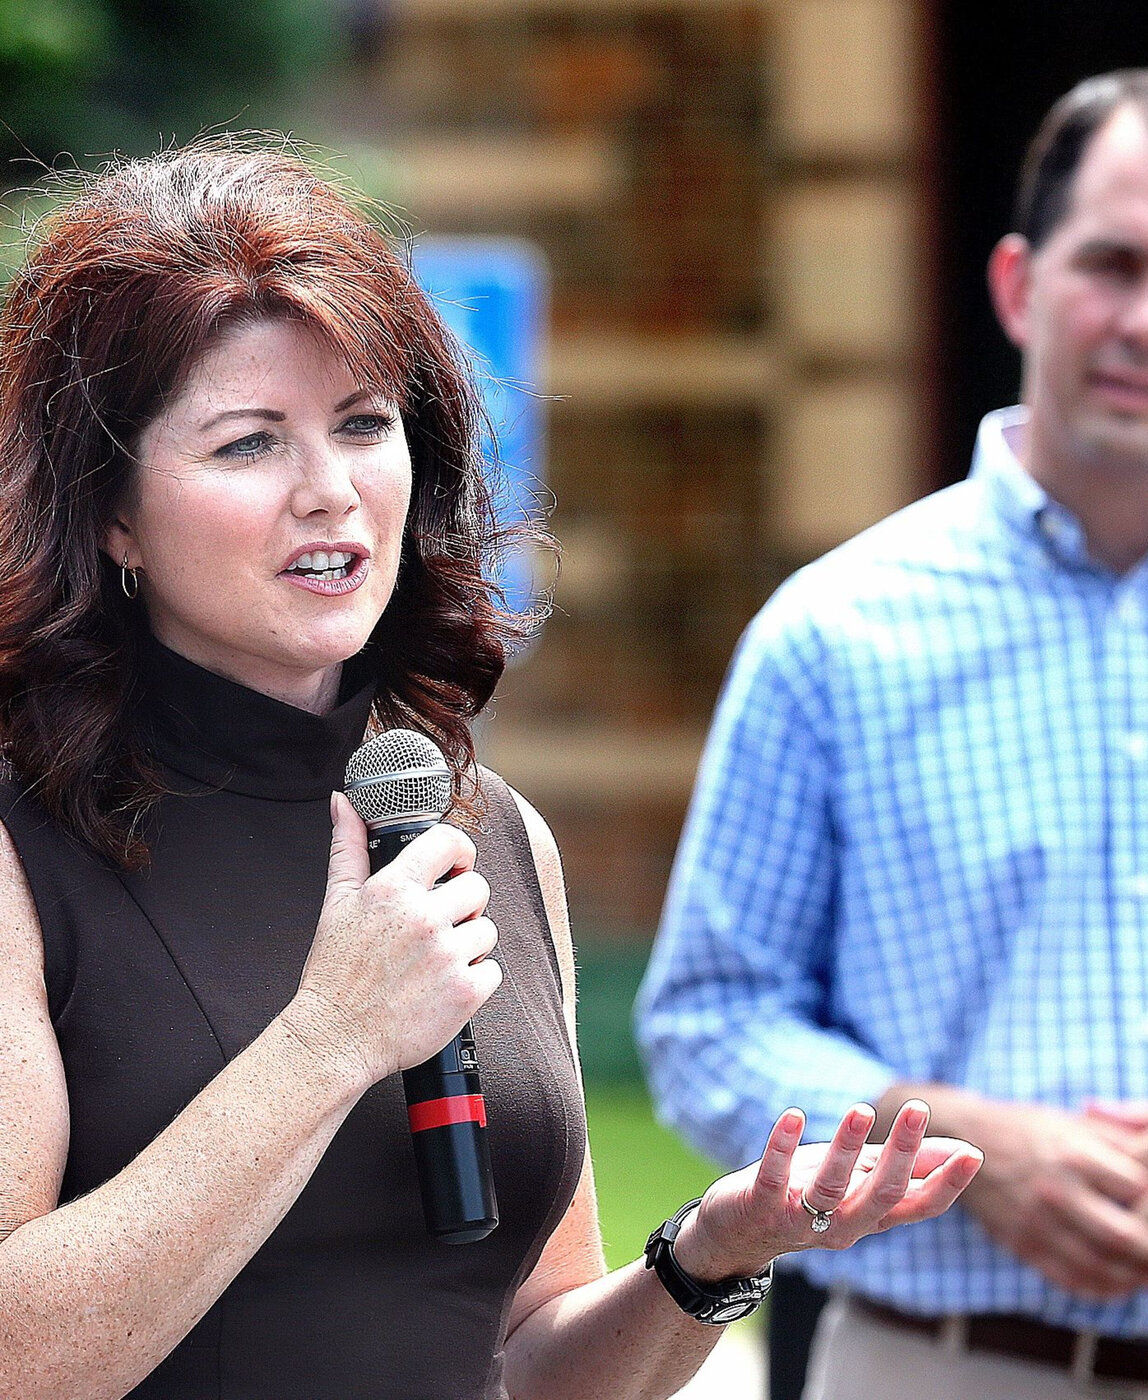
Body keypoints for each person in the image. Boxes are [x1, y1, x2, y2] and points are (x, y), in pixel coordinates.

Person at [0, 141, 983, 1400]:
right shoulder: (25, 841)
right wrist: (327, 1042)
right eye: (249, 444)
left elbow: (531, 1360)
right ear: (111, 513)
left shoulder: (479, 828)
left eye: (363, 424)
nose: (330, 490)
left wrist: (708, 1257)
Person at [637, 67, 1148, 1400]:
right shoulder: (834, 635)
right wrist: (962, 1148)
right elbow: (711, 1024)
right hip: (937, 1371)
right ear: (1017, 285)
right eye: (1110, 262)